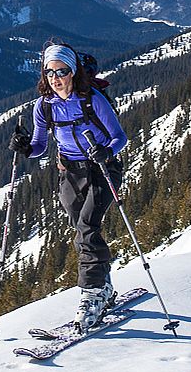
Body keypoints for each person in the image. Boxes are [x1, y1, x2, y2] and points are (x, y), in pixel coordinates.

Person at [9, 43, 128, 331]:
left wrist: (106, 153)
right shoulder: (44, 106)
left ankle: (92, 293)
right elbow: (39, 146)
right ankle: (104, 285)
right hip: (70, 173)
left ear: (73, 72)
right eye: (50, 72)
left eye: (61, 71)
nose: (55, 77)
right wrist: (24, 148)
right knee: (81, 228)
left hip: (102, 170)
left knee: (87, 227)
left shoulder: (92, 99)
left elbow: (119, 137)